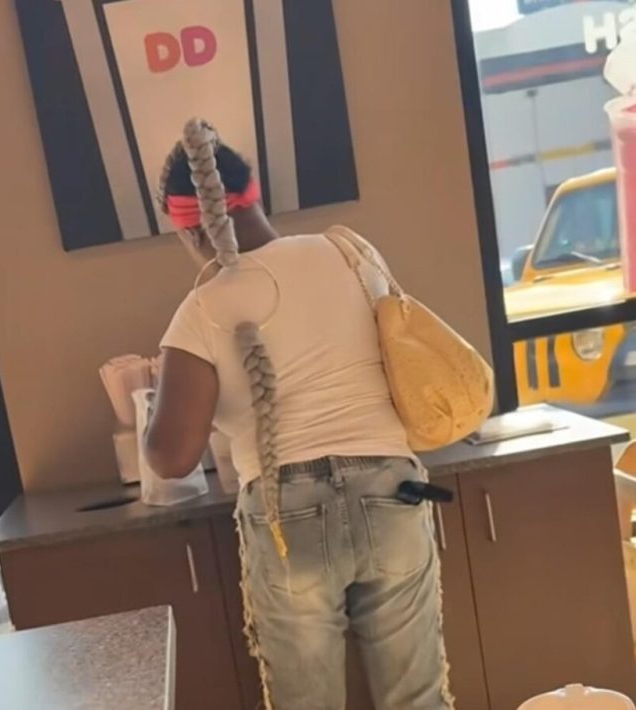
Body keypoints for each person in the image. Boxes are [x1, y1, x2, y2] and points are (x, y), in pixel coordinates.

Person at [145, 118, 453, 710]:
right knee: (417, 702)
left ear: (191, 228)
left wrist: (163, 395)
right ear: (255, 193)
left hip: (286, 514)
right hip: (392, 491)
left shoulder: (201, 308)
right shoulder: (349, 254)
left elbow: (172, 457)